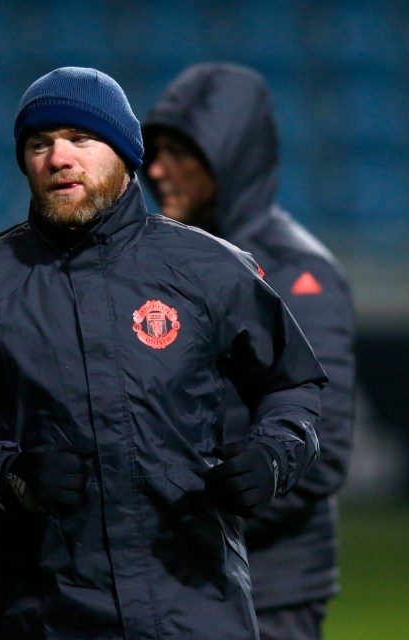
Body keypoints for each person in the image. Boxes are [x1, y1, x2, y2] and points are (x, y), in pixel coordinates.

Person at [0, 66, 328, 639]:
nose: (58, 158)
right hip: (47, 618)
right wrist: (8, 476)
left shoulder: (211, 269)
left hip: (198, 612)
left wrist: (273, 456)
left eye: (81, 139)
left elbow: (291, 384)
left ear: (125, 154)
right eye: (39, 144)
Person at [141, 62, 356, 640]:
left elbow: (322, 447)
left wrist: (188, 517)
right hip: (191, 579)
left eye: (182, 153)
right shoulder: (171, 264)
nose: (157, 170)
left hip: (268, 591)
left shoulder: (299, 273)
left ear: (231, 157)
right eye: (154, 150)